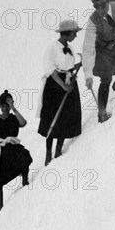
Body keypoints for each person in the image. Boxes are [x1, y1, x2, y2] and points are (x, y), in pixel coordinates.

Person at [37, 19, 83, 166]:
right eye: (74, 33)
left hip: (69, 83)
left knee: (66, 117)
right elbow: (50, 70)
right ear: (66, 33)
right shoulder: (51, 48)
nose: (75, 36)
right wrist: (63, 86)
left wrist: (78, 66)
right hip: (55, 86)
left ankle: (58, 149)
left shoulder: (70, 48)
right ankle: (48, 153)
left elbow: (68, 67)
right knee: (52, 118)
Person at [0, 90, 32, 210]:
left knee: (24, 155)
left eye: (7, 106)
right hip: (0, 150)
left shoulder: (13, 118)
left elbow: (23, 122)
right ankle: (0, 205)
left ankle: (24, 179)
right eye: (3, 105)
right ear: (0, 106)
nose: (5, 108)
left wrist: (14, 108)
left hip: (12, 146)